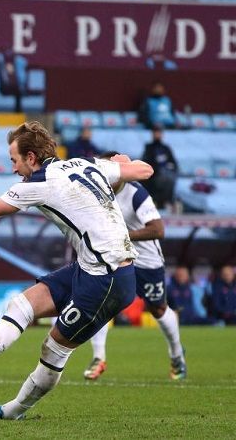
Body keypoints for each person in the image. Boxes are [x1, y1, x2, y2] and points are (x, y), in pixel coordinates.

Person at [0, 121, 153, 420]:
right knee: (22, 304)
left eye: (14, 160)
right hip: (91, 267)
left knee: (53, 350)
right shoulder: (86, 163)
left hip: (109, 279)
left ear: (31, 158)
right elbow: (144, 171)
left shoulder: (39, 183)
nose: (14, 169)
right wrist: (119, 163)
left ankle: (11, 412)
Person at [83, 153, 186, 381]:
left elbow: (158, 230)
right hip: (117, 256)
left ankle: (177, 355)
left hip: (147, 260)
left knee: (158, 309)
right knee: (102, 304)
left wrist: (123, 235)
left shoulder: (136, 193)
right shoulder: (96, 190)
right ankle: (98, 358)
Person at [141, 126, 178, 210]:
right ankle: (162, 202)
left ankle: (166, 202)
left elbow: (174, 164)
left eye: (159, 133)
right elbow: (146, 162)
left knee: (170, 178)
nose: (157, 134)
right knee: (165, 178)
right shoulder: (149, 148)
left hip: (167, 174)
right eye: (155, 133)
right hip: (154, 175)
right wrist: (158, 168)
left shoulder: (166, 148)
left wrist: (169, 167)